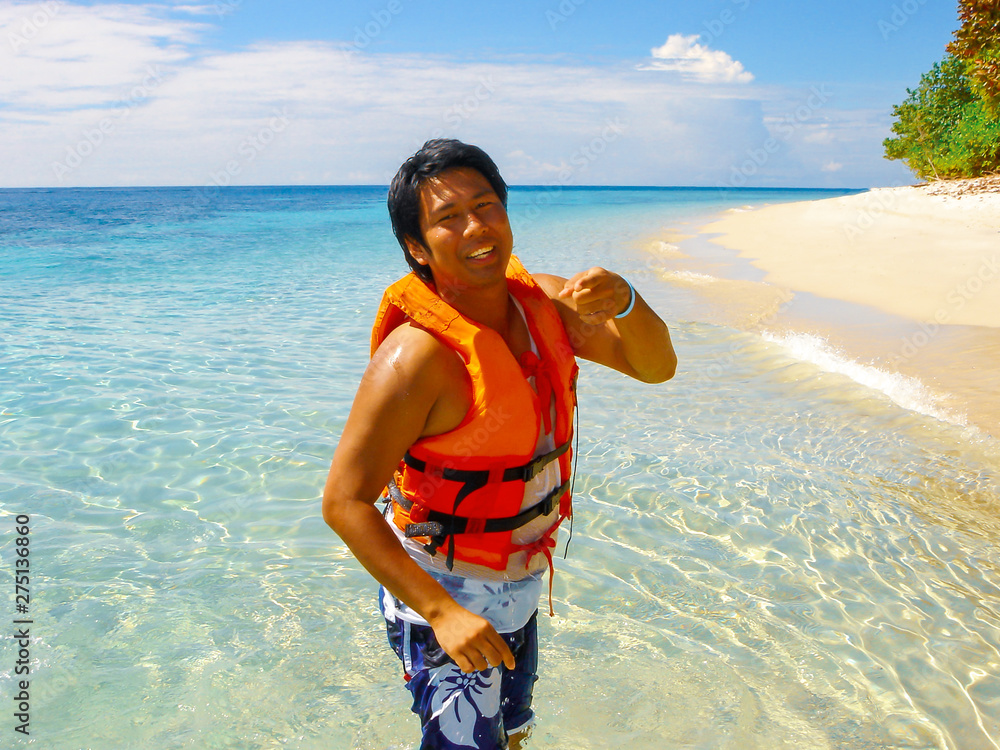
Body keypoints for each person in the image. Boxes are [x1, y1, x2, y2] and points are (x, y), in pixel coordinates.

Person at [323, 139, 676, 749]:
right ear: (416, 247)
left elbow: (657, 367)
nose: (475, 226)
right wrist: (443, 613)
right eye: (448, 217)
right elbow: (343, 503)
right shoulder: (416, 357)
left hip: (517, 586)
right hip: (440, 594)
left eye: (485, 205)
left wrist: (626, 300)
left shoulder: (547, 306)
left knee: (513, 735)